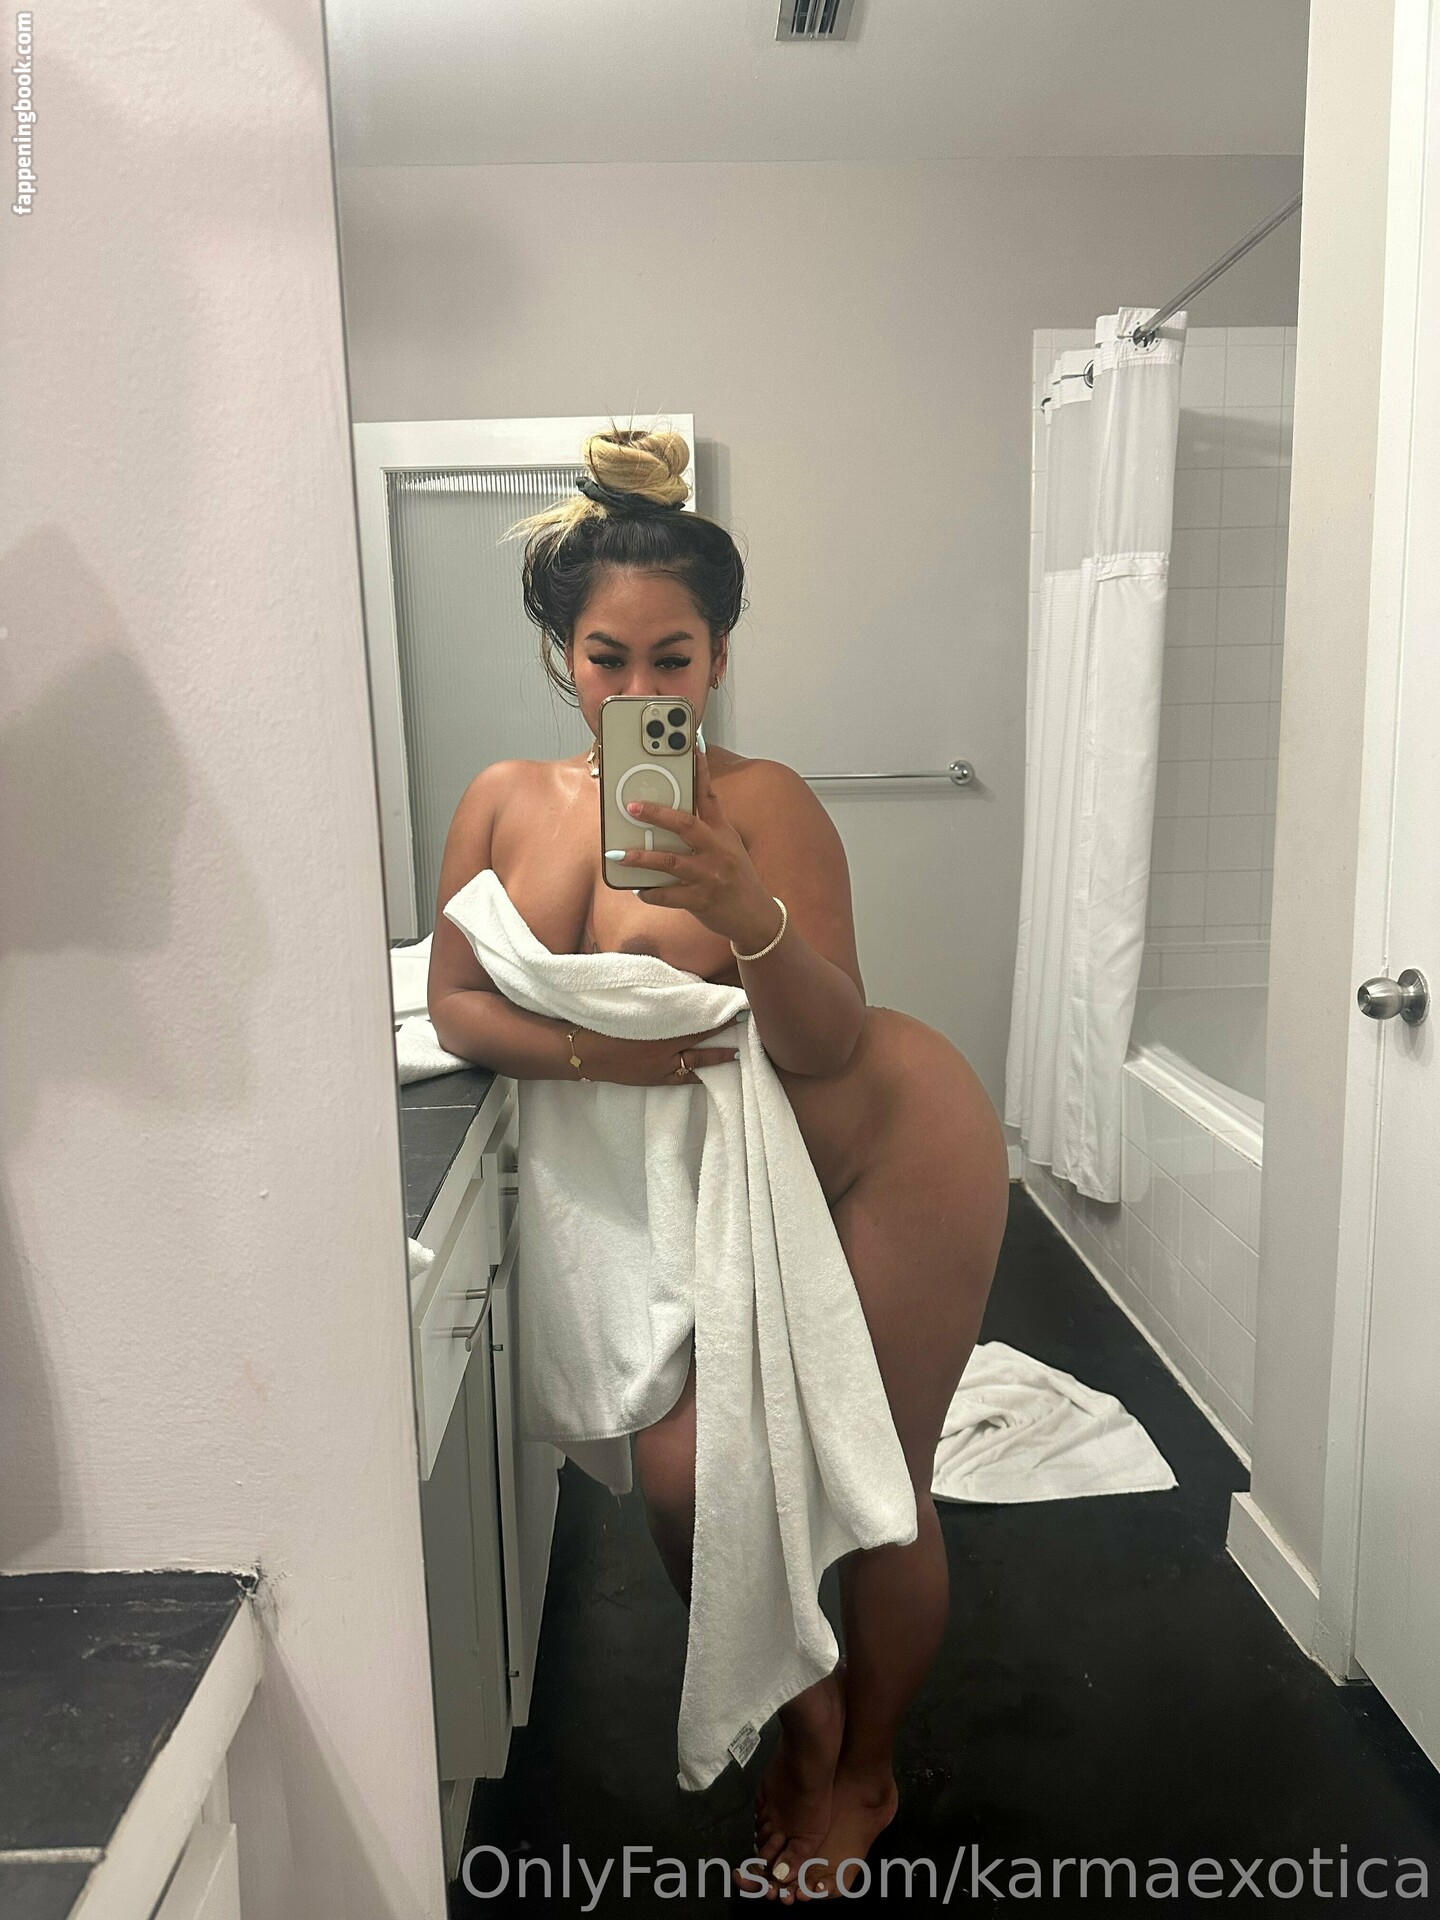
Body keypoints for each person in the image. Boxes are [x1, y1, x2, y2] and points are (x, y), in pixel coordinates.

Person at [427, 424, 1010, 1902]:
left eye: (673, 659)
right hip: (684, 1196)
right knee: (685, 1482)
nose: (643, 689)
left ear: (720, 656)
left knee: (880, 1486)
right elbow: (457, 1002)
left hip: (877, 1143)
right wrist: (594, 1055)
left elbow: (825, 1040)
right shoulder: (500, 799)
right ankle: (799, 1712)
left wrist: (751, 915)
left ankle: (861, 1769)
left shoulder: (768, 803)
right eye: (608, 657)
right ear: (564, 655)